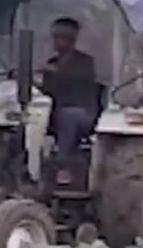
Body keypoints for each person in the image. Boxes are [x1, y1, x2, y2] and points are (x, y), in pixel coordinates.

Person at [37, 17, 98, 185]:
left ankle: (62, 166)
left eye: (61, 37)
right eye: (55, 37)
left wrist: (53, 72)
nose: (57, 41)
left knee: (68, 116)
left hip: (83, 112)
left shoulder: (85, 62)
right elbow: (47, 91)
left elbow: (76, 79)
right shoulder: (52, 62)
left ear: (72, 39)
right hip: (53, 111)